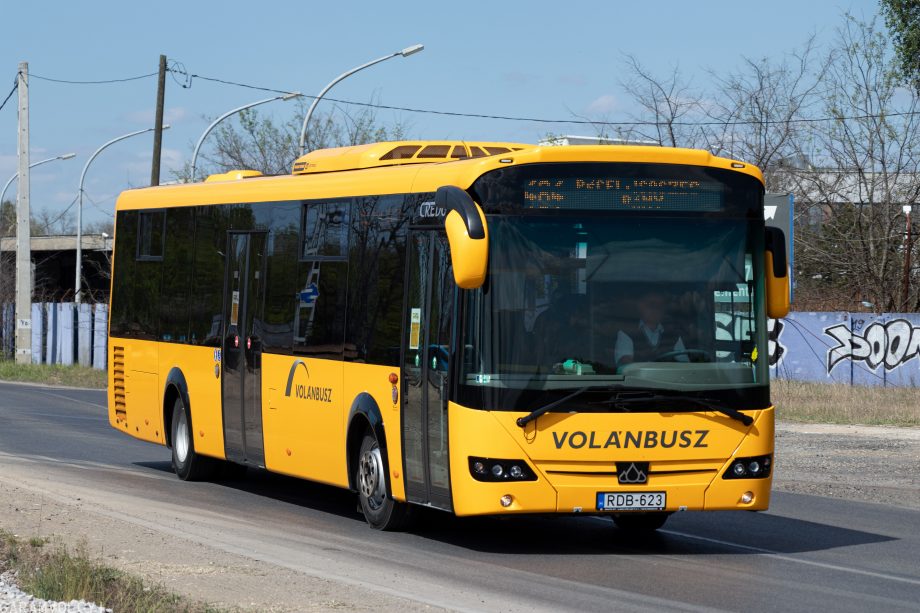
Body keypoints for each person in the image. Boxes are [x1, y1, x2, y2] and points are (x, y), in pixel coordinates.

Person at [615, 289, 687, 366]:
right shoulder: (626, 332)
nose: (655, 309)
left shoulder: (674, 334)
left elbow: (685, 365)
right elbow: (626, 366)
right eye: (651, 304)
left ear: (664, 309)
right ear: (640, 306)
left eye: (660, 306)